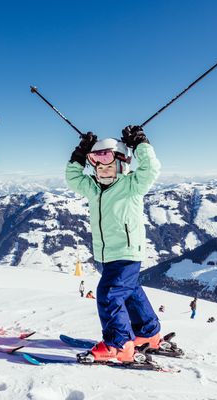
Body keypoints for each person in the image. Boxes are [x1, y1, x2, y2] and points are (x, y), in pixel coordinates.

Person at [65, 125, 161, 363]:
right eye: (98, 166)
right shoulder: (94, 188)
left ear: (122, 165)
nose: (103, 171)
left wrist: (141, 144)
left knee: (108, 294)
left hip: (127, 252)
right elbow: (72, 177)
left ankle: (118, 345)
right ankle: (147, 333)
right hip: (106, 254)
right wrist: (80, 152)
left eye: (109, 166)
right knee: (129, 292)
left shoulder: (131, 185)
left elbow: (151, 169)